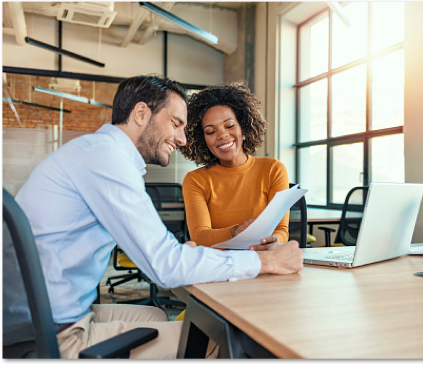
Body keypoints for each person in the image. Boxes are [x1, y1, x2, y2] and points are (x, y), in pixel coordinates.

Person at [14, 75, 303, 359]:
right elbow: (163, 266)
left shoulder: (98, 152)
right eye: (176, 123)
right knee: (213, 338)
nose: (181, 138)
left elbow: (161, 252)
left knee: (155, 314)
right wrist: (265, 261)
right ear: (141, 113)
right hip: (50, 334)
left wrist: (180, 253)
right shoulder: (106, 160)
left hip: (49, 314)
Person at [178, 83, 289, 250]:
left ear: (243, 128)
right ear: (202, 140)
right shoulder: (195, 180)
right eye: (210, 131)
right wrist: (234, 232)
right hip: (218, 266)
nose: (222, 135)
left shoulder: (273, 169)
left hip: (263, 260)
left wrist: (273, 241)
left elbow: (281, 231)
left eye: (229, 126)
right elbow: (200, 236)